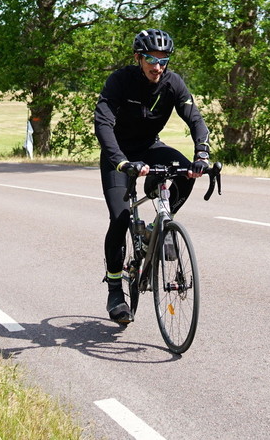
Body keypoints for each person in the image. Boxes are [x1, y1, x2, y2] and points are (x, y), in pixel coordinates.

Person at [94, 28, 211, 323]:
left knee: (186, 172)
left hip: (149, 147)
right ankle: (115, 290)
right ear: (138, 58)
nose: (157, 66)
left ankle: (161, 225)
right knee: (120, 218)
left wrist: (202, 155)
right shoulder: (120, 81)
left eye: (163, 60)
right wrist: (120, 161)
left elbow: (195, 119)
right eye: (151, 59)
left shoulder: (173, 83)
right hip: (119, 155)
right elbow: (103, 123)